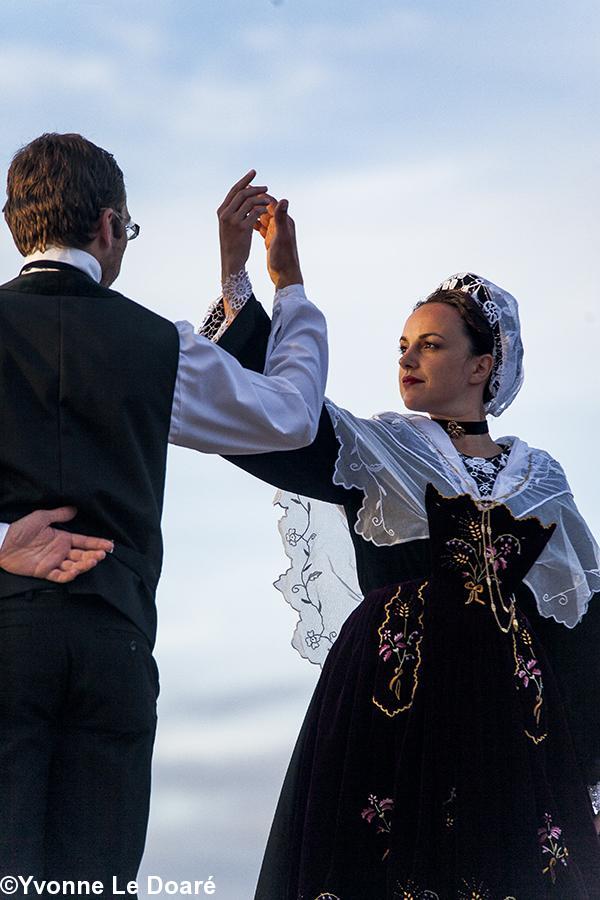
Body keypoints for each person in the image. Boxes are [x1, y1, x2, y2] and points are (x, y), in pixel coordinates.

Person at [207, 209, 600, 898]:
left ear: (483, 364)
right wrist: (261, 280)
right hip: (392, 706)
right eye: (402, 346)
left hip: (509, 729)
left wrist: (587, 781)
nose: (408, 360)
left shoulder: (542, 480)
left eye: (431, 346)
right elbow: (274, 420)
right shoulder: (380, 447)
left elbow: (583, 632)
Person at [0, 133, 327, 891]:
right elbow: (289, 417)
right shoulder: (155, 345)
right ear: (111, 226)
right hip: (114, 642)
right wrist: (284, 283)